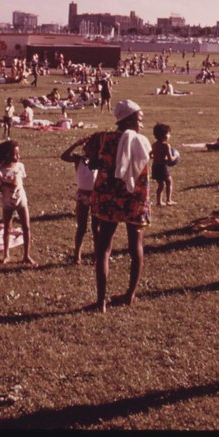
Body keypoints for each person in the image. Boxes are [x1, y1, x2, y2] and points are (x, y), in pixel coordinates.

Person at [86, 99, 152, 312]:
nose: (142, 123)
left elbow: (93, 163)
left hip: (108, 198)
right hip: (135, 198)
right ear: (129, 119)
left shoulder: (103, 139)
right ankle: (130, 295)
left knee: (104, 249)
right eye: (139, 119)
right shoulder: (142, 141)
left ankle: (100, 301)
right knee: (136, 246)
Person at [0, 140, 35, 265]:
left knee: (26, 227)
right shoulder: (0, 171)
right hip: (7, 203)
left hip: (21, 200)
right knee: (7, 228)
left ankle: (26, 255)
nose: (18, 156)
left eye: (18, 154)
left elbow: (21, 180)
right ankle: (6, 255)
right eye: (16, 154)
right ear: (7, 155)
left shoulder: (20, 166)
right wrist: (6, 183)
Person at [61, 134, 100, 264]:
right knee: (81, 226)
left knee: (96, 227)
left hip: (96, 196)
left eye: (94, 148)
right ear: (85, 147)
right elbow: (64, 156)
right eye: (88, 147)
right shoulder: (79, 159)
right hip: (82, 195)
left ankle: (97, 255)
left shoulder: (99, 161)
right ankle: (77, 255)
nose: (91, 150)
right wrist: (76, 143)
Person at [150, 123, 180, 207]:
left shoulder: (154, 144)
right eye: (168, 133)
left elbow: (150, 155)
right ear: (165, 136)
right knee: (169, 182)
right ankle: (168, 200)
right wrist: (176, 156)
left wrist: (156, 157)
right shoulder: (166, 146)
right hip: (162, 167)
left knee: (160, 185)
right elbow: (171, 159)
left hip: (155, 166)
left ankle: (159, 202)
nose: (169, 135)